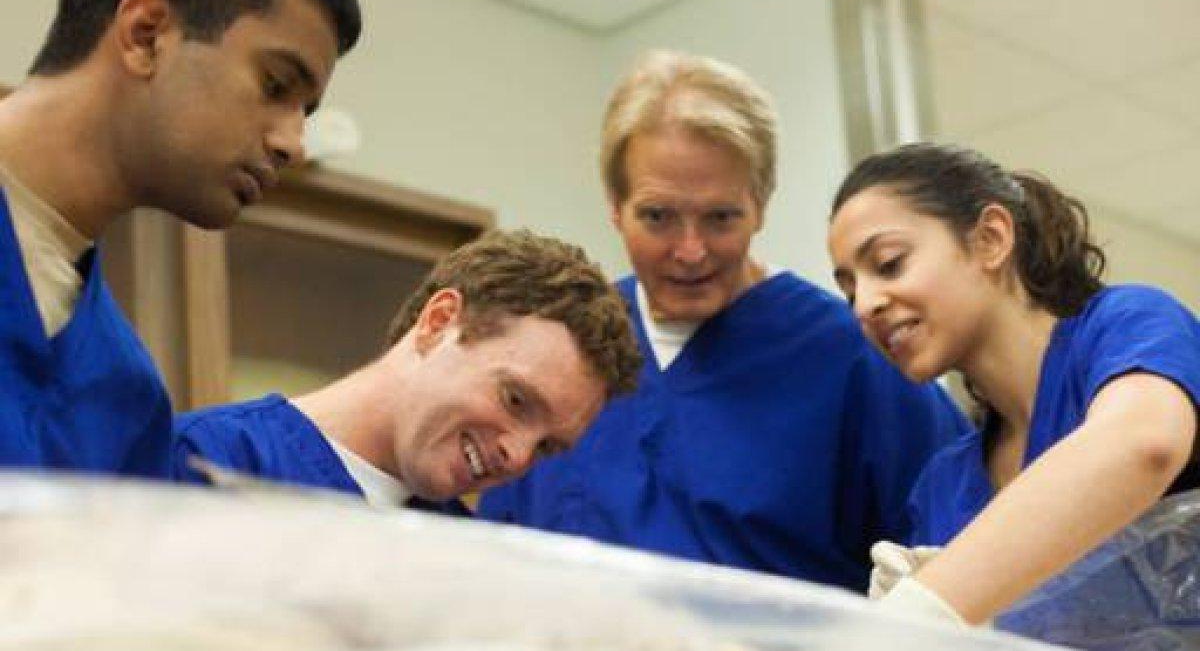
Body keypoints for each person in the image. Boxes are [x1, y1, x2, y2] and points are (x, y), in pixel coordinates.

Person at [478, 50, 969, 592]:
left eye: (720, 218)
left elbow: (958, 559)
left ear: (760, 205)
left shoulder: (855, 359)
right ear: (614, 205)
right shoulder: (558, 346)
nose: (690, 252)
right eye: (657, 217)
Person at [0, 0, 361, 476]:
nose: (293, 144)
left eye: (305, 111)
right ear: (146, 35)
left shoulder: (127, 401)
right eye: (275, 86)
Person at [827, 142, 1199, 627]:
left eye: (889, 263)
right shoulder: (944, 486)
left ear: (991, 239)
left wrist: (922, 605)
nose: (865, 305)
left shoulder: (1126, 326)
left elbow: (1144, 442)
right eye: (849, 288)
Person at [173, 229, 643, 512]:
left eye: (546, 447)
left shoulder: (457, 554)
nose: (517, 458)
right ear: (438, 324)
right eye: (516, 400)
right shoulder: (205, 465)